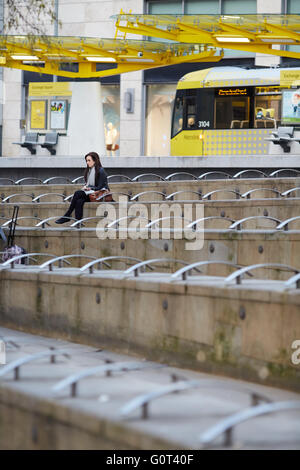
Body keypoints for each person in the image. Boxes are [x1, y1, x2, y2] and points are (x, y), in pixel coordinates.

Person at [55, 152, 109, 224]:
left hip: (99, 195)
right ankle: (78, 222)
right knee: (79, 201)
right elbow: (89, 184)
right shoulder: (89, 171)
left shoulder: (101, 171)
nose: (87, 162)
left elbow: (100, 187)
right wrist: (86, 187)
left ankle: (67, 215)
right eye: (86, 160)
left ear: (95, 160)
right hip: (91, 194)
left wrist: (89, 188)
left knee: (77, 193)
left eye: (89, 160)